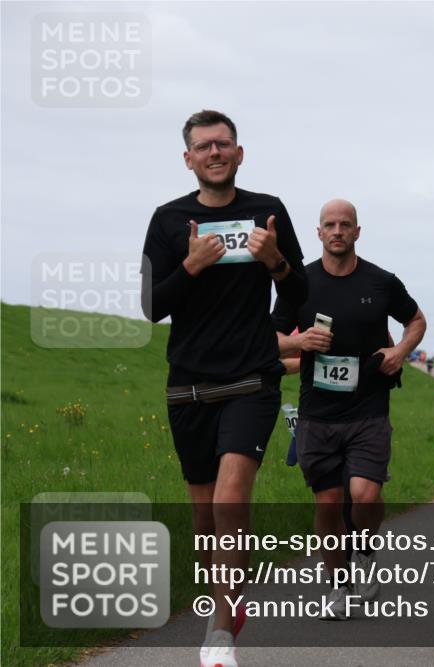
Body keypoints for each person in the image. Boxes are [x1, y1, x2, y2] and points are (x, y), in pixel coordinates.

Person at [141, 110, 307, 667]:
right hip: (188, 386)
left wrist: (275, 261)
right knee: (204, 518)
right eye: (203, 146)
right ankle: (227, 600)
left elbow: (298, 295)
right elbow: (151, 307)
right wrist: (189, 266)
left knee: (231, 497)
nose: (215, 152)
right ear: (188, 159)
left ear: (240, 153)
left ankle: (219, 631)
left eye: (224, 144)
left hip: (250, 380)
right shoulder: (168, 220)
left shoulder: (267, 212)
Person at [271, 198, 426, 620]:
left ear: (358, 232)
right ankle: (339, 588)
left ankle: (364, 551)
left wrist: (400, 351)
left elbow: (417, 321)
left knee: (366, 493)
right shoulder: (297, 284)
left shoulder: (381, 282)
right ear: (318, 233)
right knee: (326, 505)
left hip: (368, 409)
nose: (337, 231)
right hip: (317, 415)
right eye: (329, 225)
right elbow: (270, 339)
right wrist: (298, 343)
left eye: (345, 225)